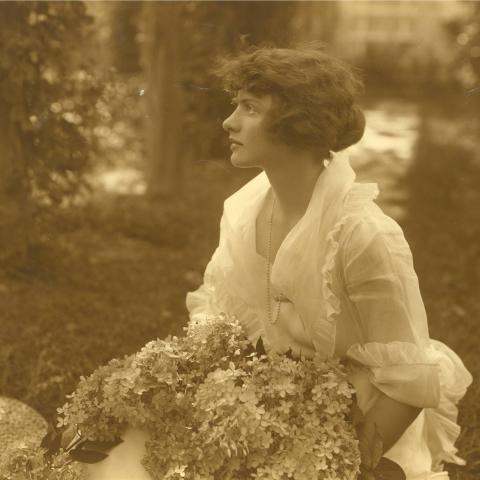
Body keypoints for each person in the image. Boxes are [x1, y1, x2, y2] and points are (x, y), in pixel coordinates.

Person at [86, 45, 472, 479]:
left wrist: (338, 462)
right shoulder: (242, 212)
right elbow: (215, 323)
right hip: (259, 408)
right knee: (124, 458)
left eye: (249, 108)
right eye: (236, 105)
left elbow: (407, 383)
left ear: (298, 125)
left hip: (357, 424)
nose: (228, 121)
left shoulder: (363, 235)